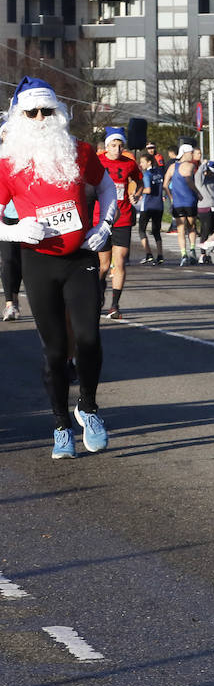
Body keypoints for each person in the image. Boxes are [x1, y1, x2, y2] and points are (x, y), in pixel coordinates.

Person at [0, 76, 120, 458]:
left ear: (58, 113)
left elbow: (106, 188)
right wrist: (15, 228)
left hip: (80, 257)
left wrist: (104, 226)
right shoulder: (8, 164)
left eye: (46, 110)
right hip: (38, 262)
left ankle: (88, 407)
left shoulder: (79, 151)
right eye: (32, 111)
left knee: (89, 337)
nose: (39, 118)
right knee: (54, 352)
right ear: (19, 116)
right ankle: (60, 426)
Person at [94, 127, 139, 319]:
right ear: (107, 146)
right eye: (113, 145)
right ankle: (98, 295)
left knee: (119, 262)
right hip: (101, 217)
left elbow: (138, 181)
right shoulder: (97, 161)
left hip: (123, 216)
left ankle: (114, 305)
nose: (117, 149)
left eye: (120, 145)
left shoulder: (129, 164)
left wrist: (135, 194)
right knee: (103, 266)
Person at [166, 144, 197, 265]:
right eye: (191, 153)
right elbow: (189, 181)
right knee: (191, 227)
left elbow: (165, 184)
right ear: (185, 153)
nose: (192, 155)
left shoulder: (173, 167)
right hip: (190, 201)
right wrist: (198, 193)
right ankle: (192, 250)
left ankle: (184, 254)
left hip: (178, 203)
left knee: (181, 229)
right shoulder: (190, 165)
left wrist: (171, 196)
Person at [136, 152, 165, 265]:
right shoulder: (159, 173)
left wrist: (137, 192)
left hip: (147, 205)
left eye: (142, 162)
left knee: (142, 230)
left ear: (149, 162)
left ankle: (148, 254)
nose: (140, 164)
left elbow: (148, 190)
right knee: (156, 231)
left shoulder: (146, 174)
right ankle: (160, 255)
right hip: (159, 205)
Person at [1, 199, 21, 320]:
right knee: (7, 258)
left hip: (24, 215)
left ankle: (14, 297)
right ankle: (9, 304)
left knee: (19, 261)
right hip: (4, 217)